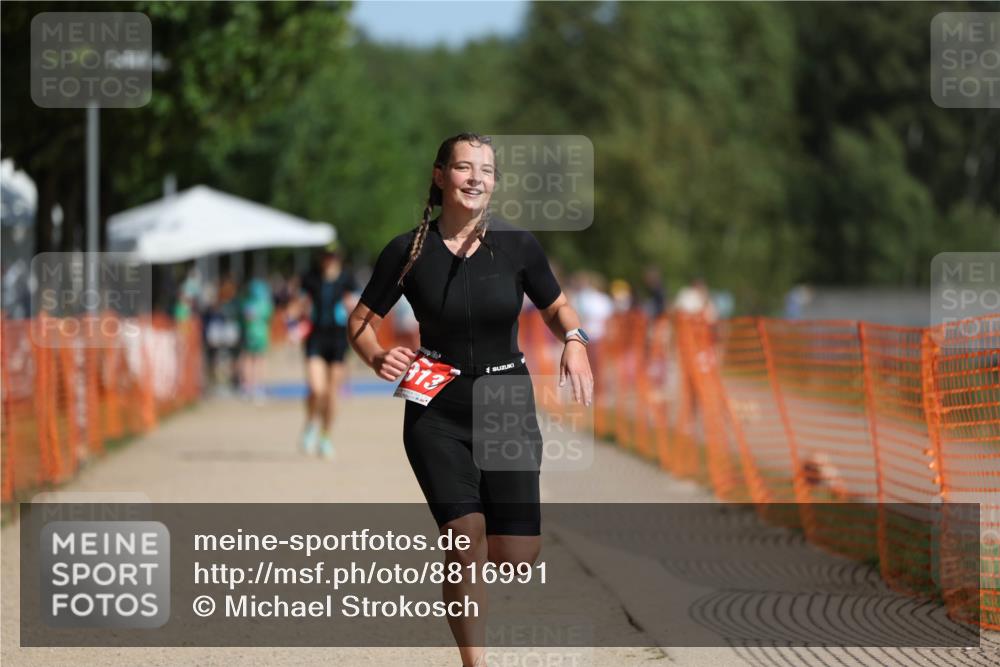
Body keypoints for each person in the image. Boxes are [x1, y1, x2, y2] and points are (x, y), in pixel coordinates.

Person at [347, 133, 593, 667]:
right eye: (464, 167)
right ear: (441, 176)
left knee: (516, 556)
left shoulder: (518, 246)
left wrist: (574, 340)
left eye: (486, 170)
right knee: (463, 538)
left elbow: (557, 308)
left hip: (506, 403)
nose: (476, 178)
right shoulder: (408, 250)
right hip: (436, 405)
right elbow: (361, 322)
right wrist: (376, 355)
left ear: (495, 182)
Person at [294, 244, 359, 459]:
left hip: (338, 339)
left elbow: (357, 306)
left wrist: (353, 308)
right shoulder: (310, 278)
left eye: (333, 256)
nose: (329, 260)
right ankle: (311, 423)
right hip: (316, 337)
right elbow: (298, 303)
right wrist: (296, 314)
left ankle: (325, 435)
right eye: (326, 256)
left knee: (331, 393)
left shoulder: (347, 279)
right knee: (316, 388)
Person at [238, 277, 274, 403]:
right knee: (259, 360)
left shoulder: (247, 303)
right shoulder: (265, 304)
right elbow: (269, 317)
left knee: (248, 359)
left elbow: (243, 319)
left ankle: (247, 386)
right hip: (262, 335)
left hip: (249, 334)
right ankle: (259, 386)